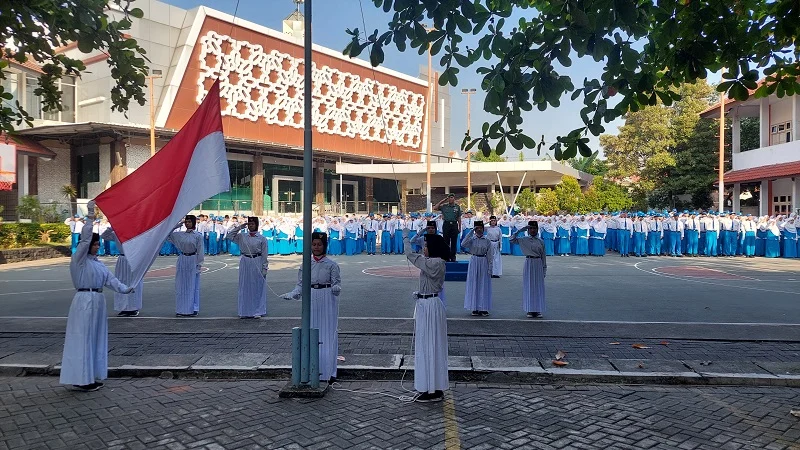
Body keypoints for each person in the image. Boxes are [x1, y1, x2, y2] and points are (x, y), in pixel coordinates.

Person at [60, 200, 133, 391]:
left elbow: (111, 281)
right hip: (84, 300)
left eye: (97, 244)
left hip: (98, 300)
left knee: (95, 338)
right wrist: (91, 216)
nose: (96, 247)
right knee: (83, 337)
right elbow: (84, 240)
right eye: (94, 244)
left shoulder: (98, 264)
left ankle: (90, 374)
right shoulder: (79, 261)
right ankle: (82, 377)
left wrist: (127, 289)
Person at [281, 232, 342, 383]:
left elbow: (336, 283)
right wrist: (294, 293)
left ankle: (328, 371)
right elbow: (301, 284)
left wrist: (336, 288)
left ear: (324, 246)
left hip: (327, 298)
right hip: (311, 297)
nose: (316, 247)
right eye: (314, 244)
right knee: (311, 330)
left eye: (319, 244)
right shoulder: (306, 264)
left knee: (327, 332)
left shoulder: (332, 265)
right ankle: (311, 369)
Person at [404, 231, 450, 402]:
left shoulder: (436, 263)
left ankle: (432, 388)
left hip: (430, 306)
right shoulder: (434, 262)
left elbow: (410, 254)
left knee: (430, 345)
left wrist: (405, 238)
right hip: (427, 303)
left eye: (426, 246)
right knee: (426, 344)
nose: (424, 249)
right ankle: (430, 385)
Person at [228, 217, 269, 318]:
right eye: (249, 224)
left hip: (257, 260)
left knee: (257, 286)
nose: (251, 226)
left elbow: (264, 254)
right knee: (245, 286)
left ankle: (258, 311)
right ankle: (245, 311)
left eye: (253, 224)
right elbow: (229, 236)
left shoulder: (262, 238)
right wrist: (240, 227)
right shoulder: (242, 236)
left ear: (257, 225)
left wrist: (264, 268)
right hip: (245, 261)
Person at [100, 227, 144, 317]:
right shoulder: (117, 232)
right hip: (122, 259)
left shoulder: (137, 233)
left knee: (134, 283)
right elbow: (104, 236)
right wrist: (111, 227)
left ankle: (133, 307)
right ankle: (123, 307)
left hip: (133, 258)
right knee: (121, 281)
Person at [168, 215, 204, 317]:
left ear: (193, 223)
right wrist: (176, 225)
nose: (187, 223)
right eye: (186, 221)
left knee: (193, 285)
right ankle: (181, 309)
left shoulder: (198, 236)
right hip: (183, 259)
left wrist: (199, 264)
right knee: (181, 285)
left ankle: (193, 308)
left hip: (193, 259)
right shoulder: (180, 235)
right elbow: (167, 235)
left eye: (189, 221)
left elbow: (200, 251)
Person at [512, 220, 547, 318]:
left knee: (538, 286)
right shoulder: (524, 239)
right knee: (529, 286)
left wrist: (544, 269)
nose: (532, 230)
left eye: (534, 228)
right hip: (529, 262)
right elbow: (511, 239)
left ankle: (538, 309)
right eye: (530, 228)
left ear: (537, 229)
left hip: (538, 263)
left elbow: (543, 256)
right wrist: (520, 230)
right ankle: (530, 309)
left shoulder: (541, 241)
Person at [461, 220, 494, 317]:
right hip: (474, 260)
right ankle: (474, 307)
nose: (479, 230)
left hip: (483, 260)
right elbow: (463, 244)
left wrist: (490, 268)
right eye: (477, 228)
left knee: (483, 284)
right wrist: (471, 231)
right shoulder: (472, 239)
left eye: (481, 228)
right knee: (474, 283)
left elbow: (490, 255)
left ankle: (483, 308)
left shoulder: (487, 240)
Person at [436, 194, 462, 261]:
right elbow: (435, 208)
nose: (450, 199)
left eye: (451, 197)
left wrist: (459, 227)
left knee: (454, 242)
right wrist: (443, 200)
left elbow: (459, 218)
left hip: (454, 225)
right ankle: (446, 256)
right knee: (446, 242)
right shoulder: (444, 206)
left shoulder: (457, 207)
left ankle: (453, 256)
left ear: (454, 198)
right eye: (449, 198)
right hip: (446, 225)